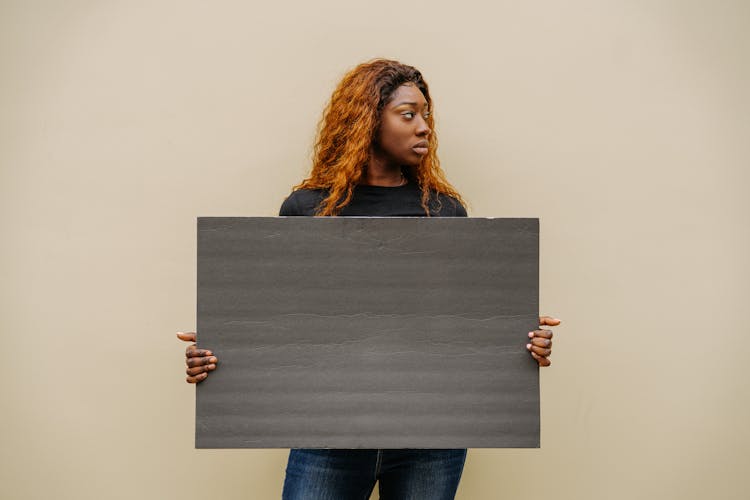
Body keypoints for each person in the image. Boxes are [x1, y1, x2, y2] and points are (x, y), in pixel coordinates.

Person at [177, 58, 560, 500]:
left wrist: (521, 340)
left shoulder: (444, 212)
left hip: (431, 438)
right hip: (327, 435)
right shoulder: (307, 210)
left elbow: (457, 324)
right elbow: (283, 320)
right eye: (408, 114)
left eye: (426, 115)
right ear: (368, 119)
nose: (424, 128)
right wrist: (219, 349)